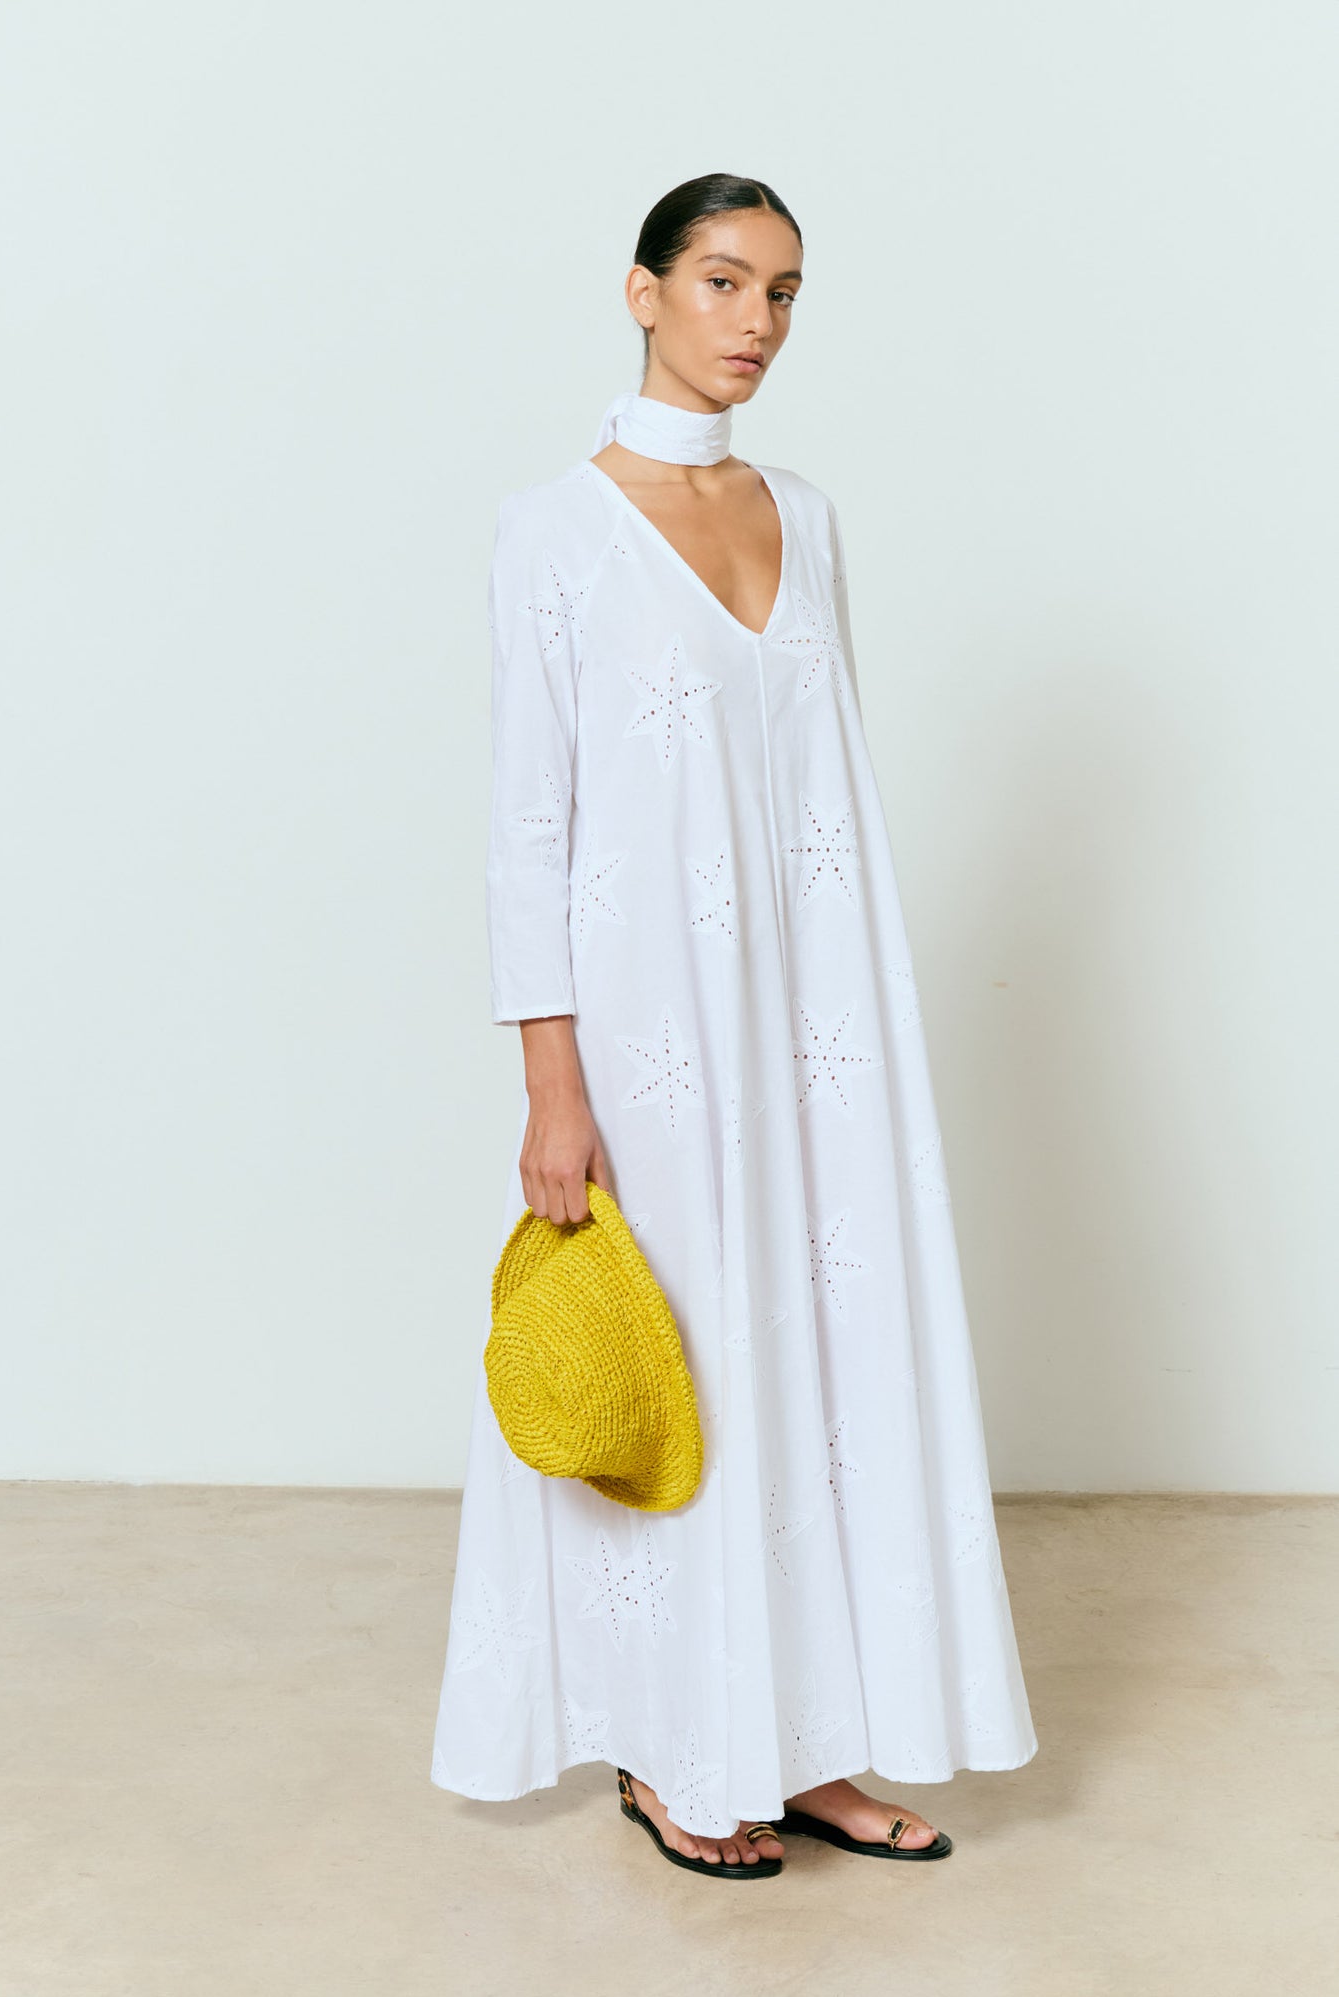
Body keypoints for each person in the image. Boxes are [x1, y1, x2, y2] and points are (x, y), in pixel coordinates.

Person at [431, 172, 1038, 1878]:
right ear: (642, 293)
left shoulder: (807, 515)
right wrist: (551, 1086)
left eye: (781, 291)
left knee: (823, 1358)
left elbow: (815, 787)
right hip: (650, 1037)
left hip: (817, 1022)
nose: (754, 320)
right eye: (719, 281)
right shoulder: (553, 531)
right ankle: (673, 1750)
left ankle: (810, 1745)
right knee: (683, 1364)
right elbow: (529, 827)